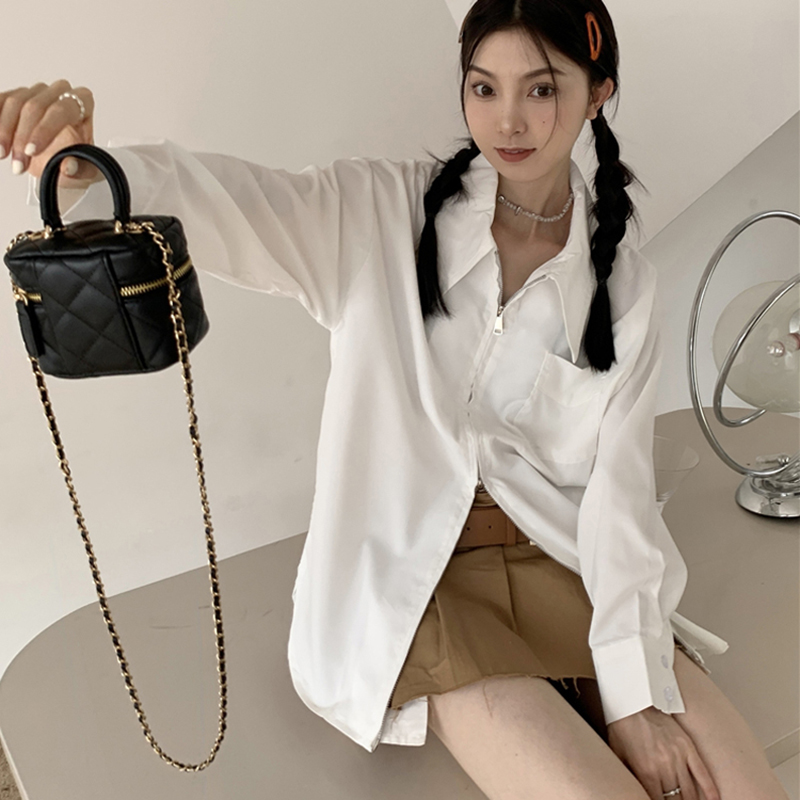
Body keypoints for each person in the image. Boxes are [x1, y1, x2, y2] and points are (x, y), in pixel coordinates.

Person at [1, 1, 789, 798]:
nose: (508, 120)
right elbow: (230, 203)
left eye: (542, 89)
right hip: (417, 584)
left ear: (598, 93)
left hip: (562, 562)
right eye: (484, 88)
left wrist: (635, 700)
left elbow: (618, 503)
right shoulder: (379, 213)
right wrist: (89, 172)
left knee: (747, 789)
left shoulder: (623, 283)